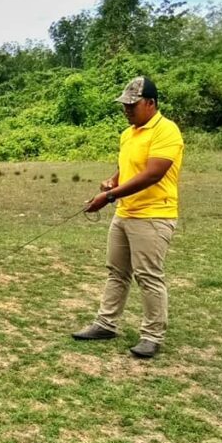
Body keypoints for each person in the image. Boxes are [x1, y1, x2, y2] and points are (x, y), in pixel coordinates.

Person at [73, 76, 184, 358]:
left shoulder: (166, 131)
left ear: (151, 103)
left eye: (132, 105)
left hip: (153, 216)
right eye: (124, 105)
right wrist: (112, 181)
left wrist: (109, 197)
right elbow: (128, 168)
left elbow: (153, 173)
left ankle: (152, 336)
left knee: (148, 276)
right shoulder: (128, 133)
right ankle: (105, 323)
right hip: (125, 214)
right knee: (116, 272)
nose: (127, 110)